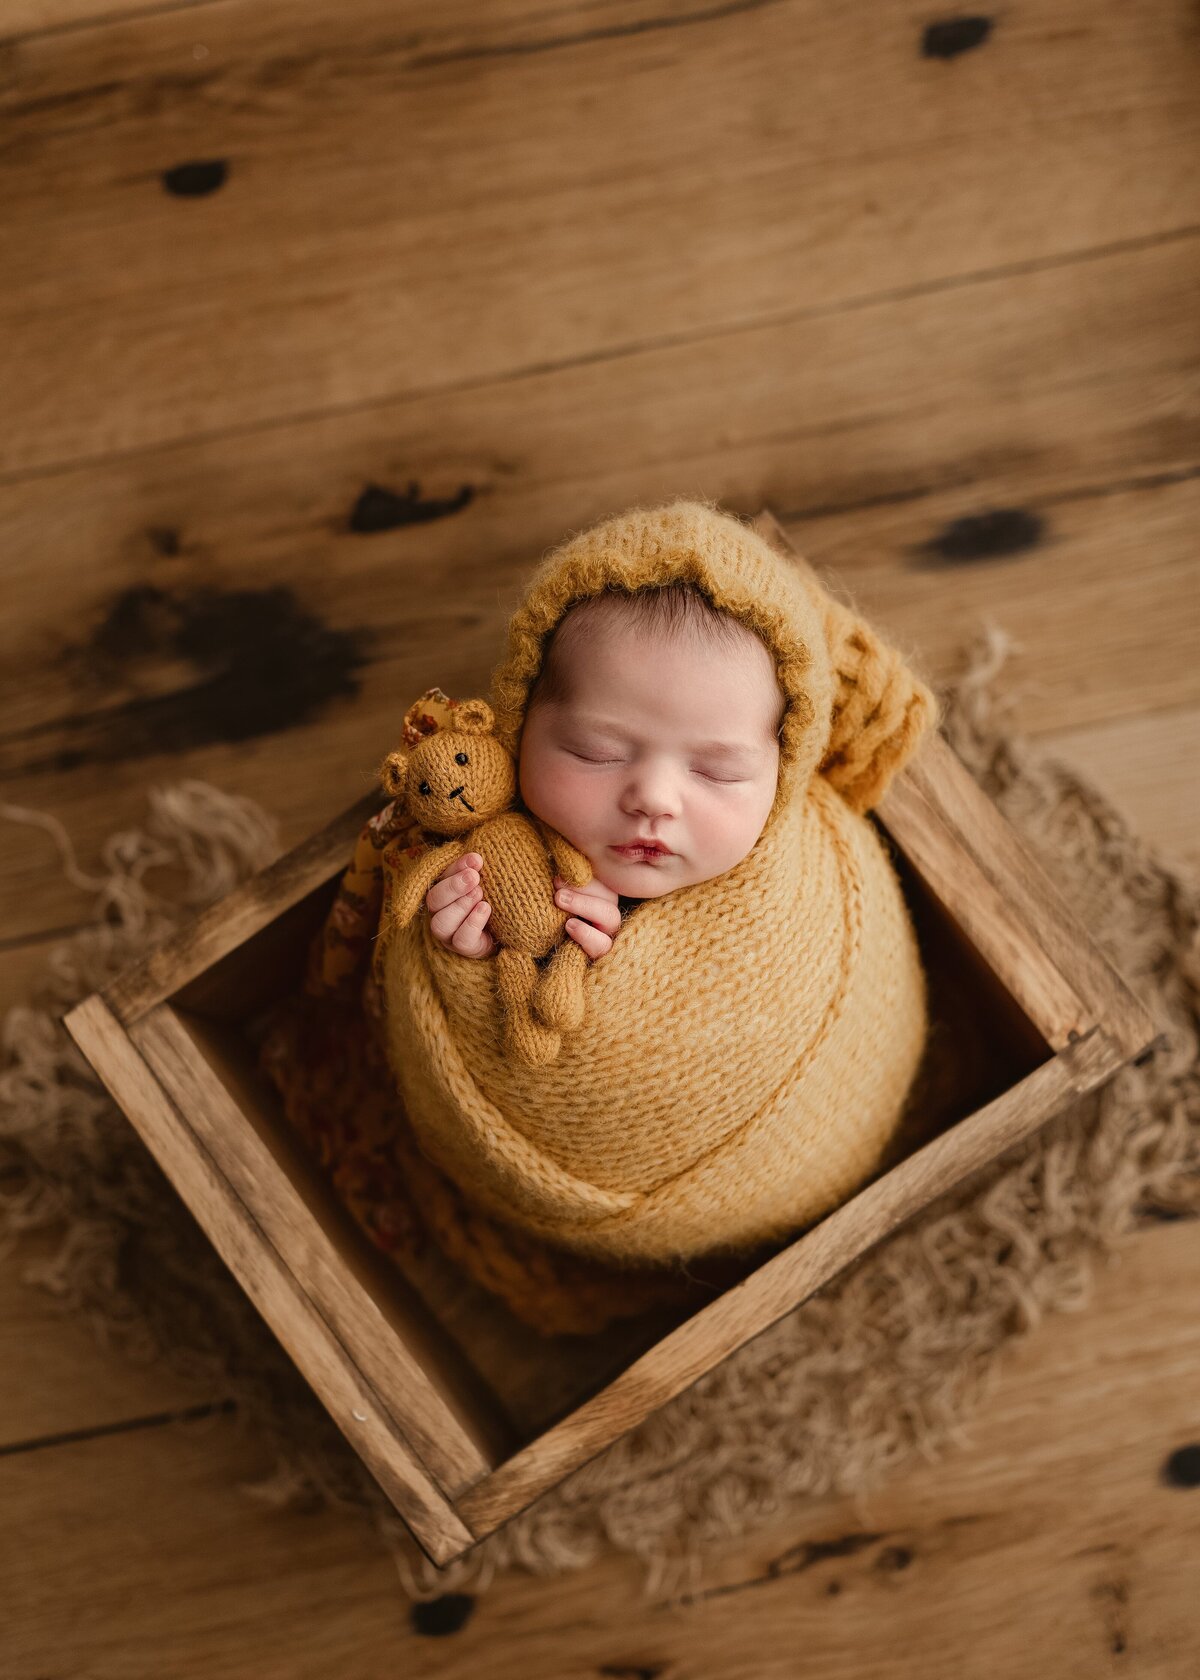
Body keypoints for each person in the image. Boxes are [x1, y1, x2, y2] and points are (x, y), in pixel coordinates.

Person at [422, 579, 787, 962]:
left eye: (718, 772)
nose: (654, 799)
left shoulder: (797, 902)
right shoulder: (478, 850)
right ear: (520, 730)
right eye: (599, 753)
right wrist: (481, 948)